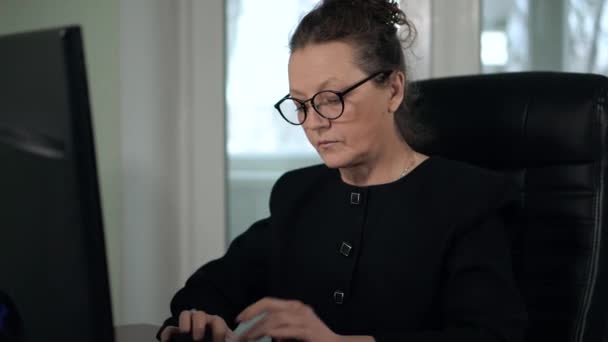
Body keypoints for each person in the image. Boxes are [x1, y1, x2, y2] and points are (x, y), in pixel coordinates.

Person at [158, 0, 527, 341]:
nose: (314, 123)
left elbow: (490, 336)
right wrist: (200, 317)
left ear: (394, 90)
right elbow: (213, 286)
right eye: (300, 104)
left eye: (331, 99)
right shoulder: (297, 194)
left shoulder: (469, 200)